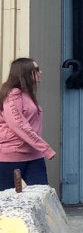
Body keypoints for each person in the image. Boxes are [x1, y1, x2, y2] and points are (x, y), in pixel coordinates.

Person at [0, 58, 56, 191]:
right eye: (36, 70)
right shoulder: (13, 96)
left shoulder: (27, 94)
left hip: (34, 155)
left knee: (42, 196)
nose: (40, 72)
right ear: (24, 73)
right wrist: (45, 148)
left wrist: (39, 149)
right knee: (6, 202)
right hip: (11, 156)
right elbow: (19, 126)